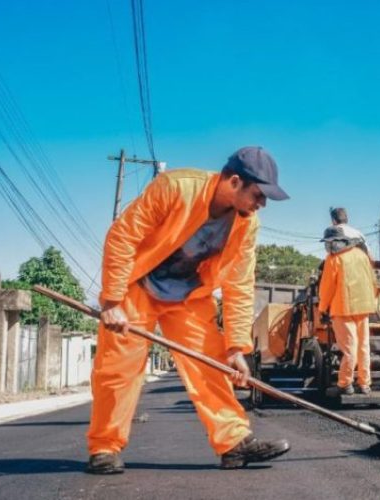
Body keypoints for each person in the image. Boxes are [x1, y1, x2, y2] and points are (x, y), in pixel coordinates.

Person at [87, 146, 291, 474]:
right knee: (117, 371)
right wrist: (111, 302)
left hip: (189, 296)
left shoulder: (247, 224)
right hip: (136, 288)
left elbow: (240, 283)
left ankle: (233, 443)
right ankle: (104, 448)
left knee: (211, 364)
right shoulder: (175, 187)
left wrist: (237, 347)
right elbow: (123, 237)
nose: (261, 204)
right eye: (259, 195)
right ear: (235, 181)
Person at [318, 225, 377, 396]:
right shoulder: (362, 255)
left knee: (350, 348)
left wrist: (322, 308)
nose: (328, 246)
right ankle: (365, 384)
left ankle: (345, 384)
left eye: (329, 243)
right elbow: (373, 281)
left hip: (343, 308)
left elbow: (327, 287)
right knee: (363, 347)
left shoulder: (333, 259)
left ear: (337, 242)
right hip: (363, 307)